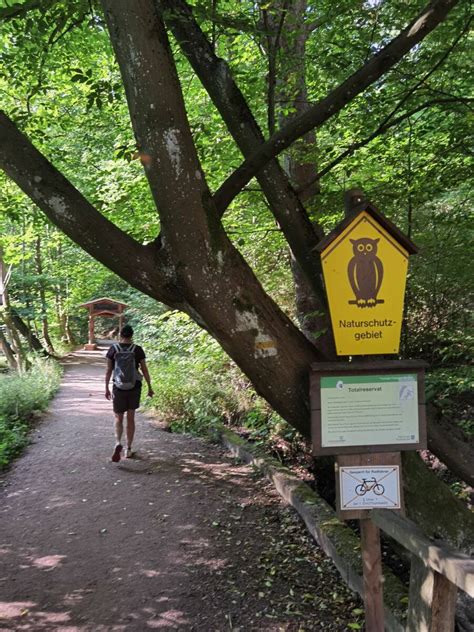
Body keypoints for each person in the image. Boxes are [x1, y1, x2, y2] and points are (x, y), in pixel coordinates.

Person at [105, 325, 154, 461]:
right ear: (132, 335)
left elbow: (109, 370)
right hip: (134, 386)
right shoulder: (137, 349)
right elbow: (144, 370)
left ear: (121, 335)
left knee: (118, 418)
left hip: (118, 386)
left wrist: (106, 388)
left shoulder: (113, 349)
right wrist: (150, 387)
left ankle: (117, 443)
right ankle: (128, 449)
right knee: (130, 418)